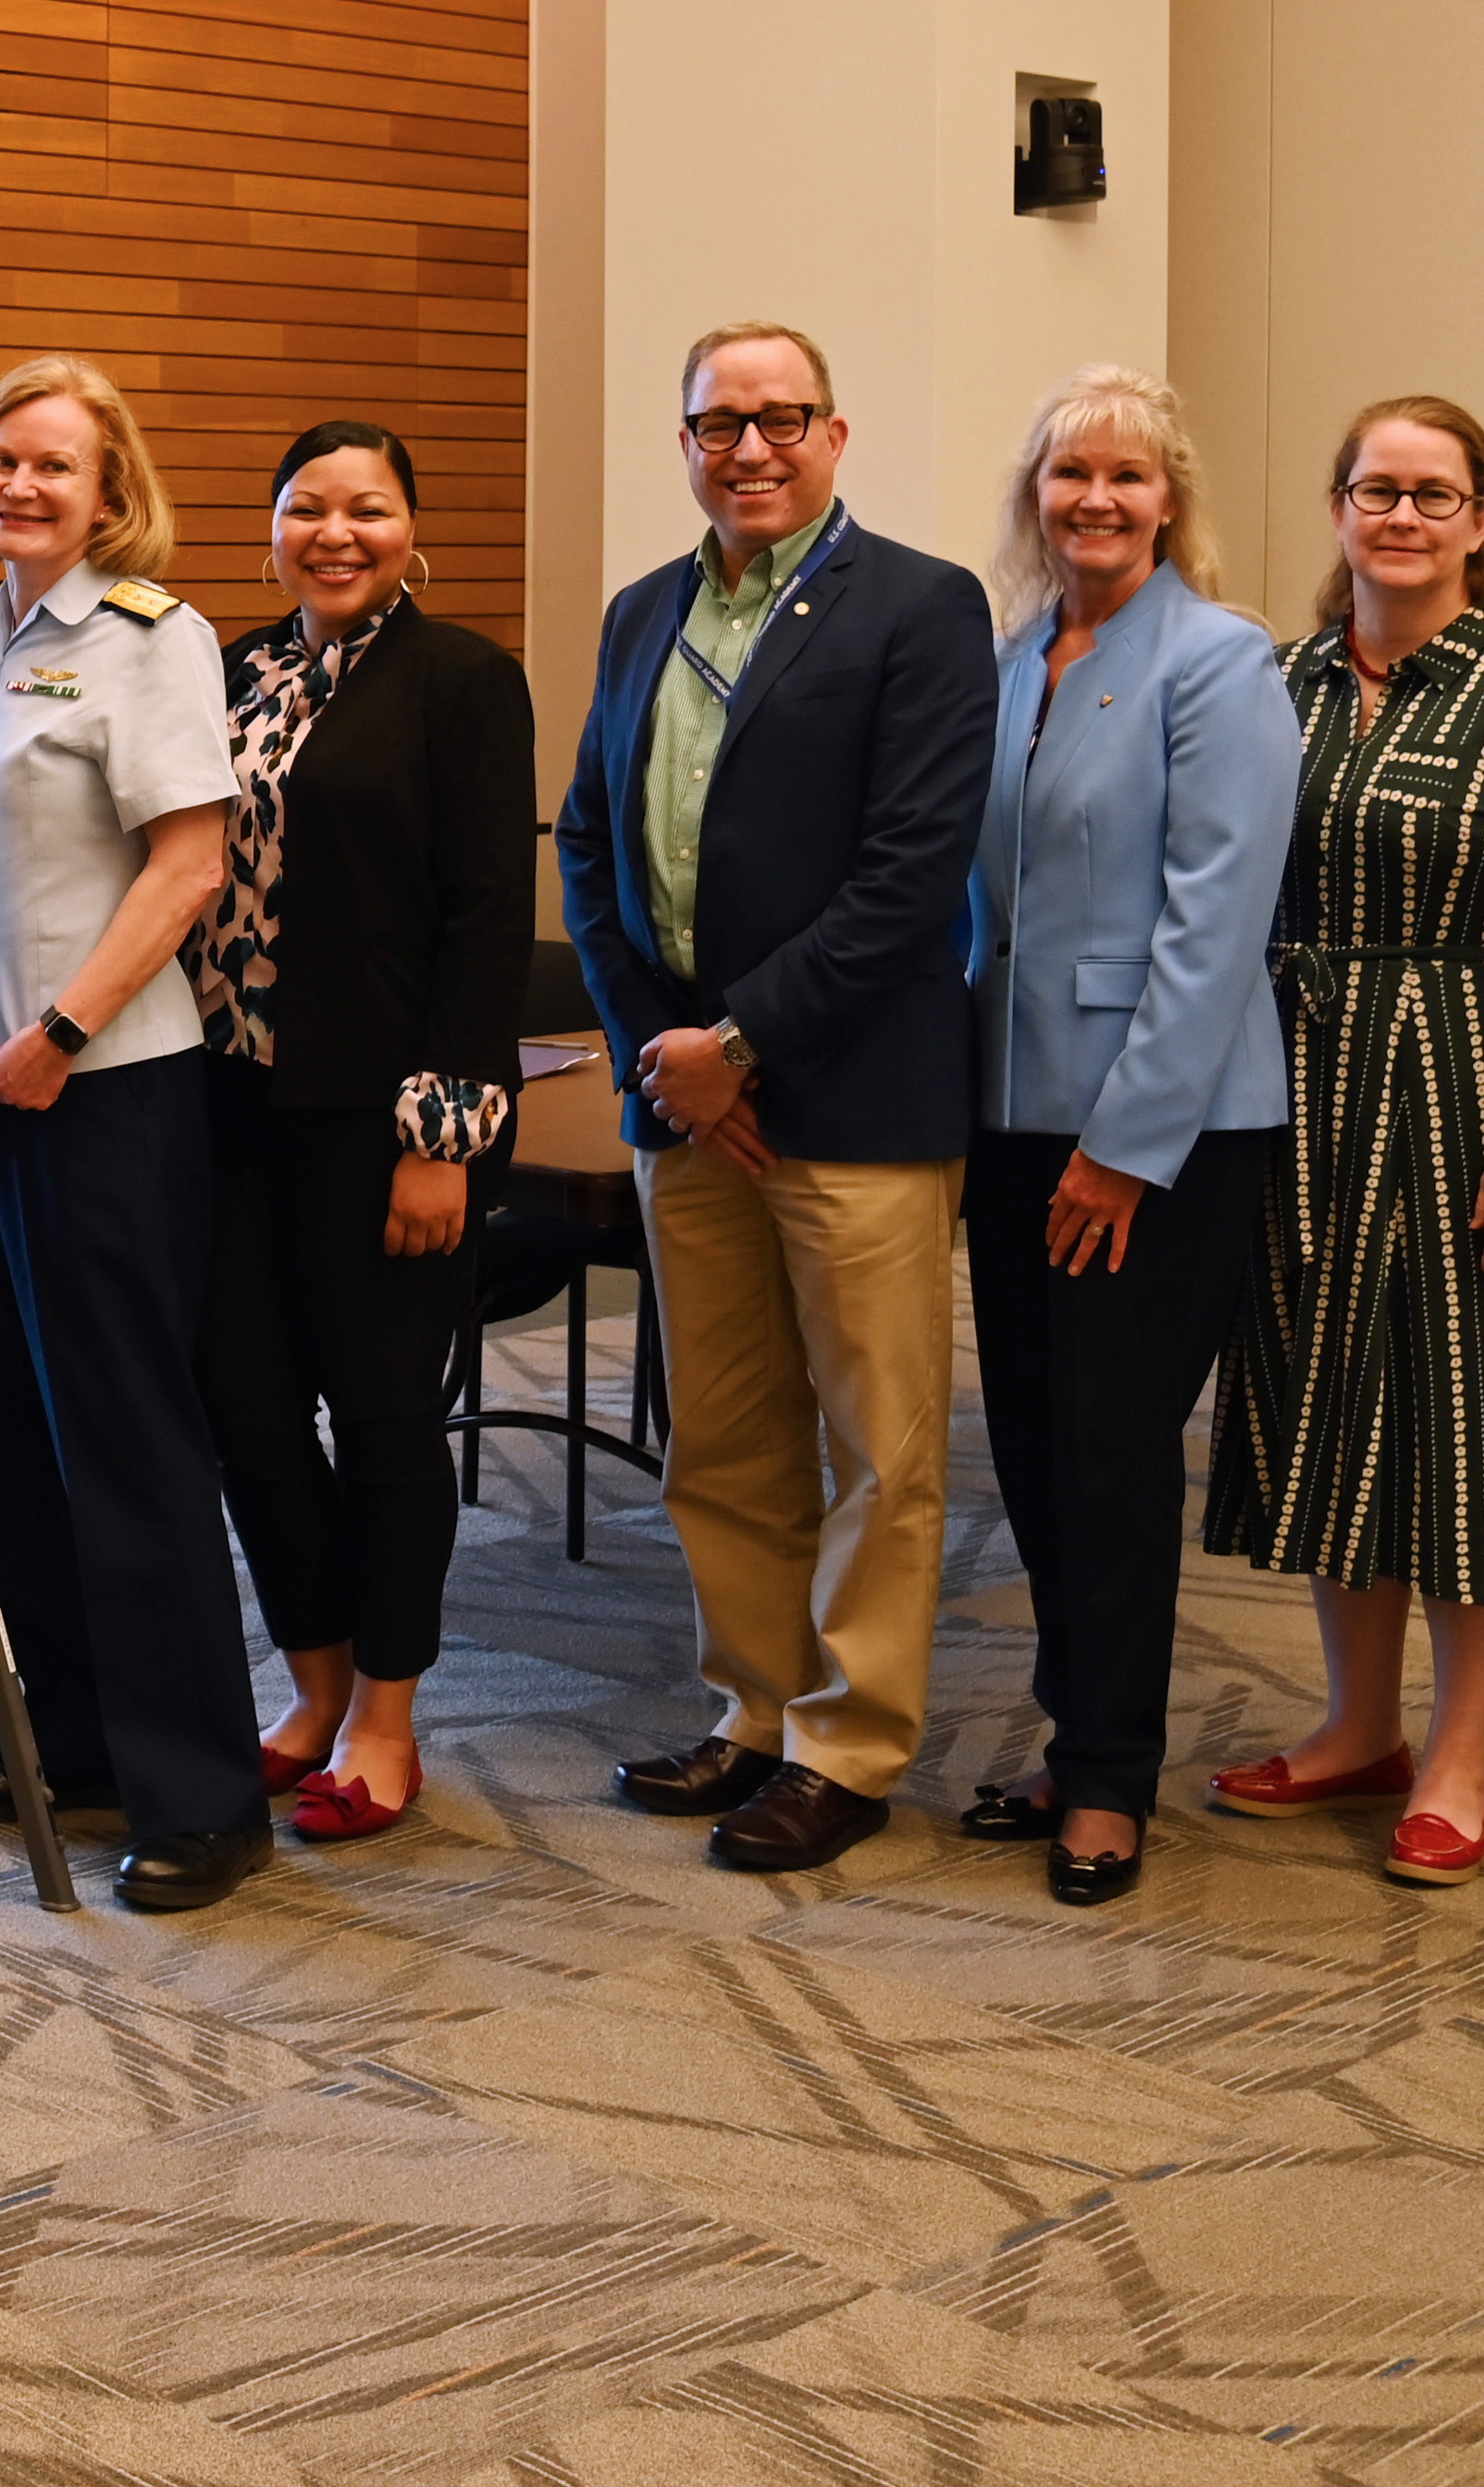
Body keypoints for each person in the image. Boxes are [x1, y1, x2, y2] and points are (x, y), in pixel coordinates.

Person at [558, 320, 996, 1875]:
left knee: (880, 1443)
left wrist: (736, 1045)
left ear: (836, 432)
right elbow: (592, 847)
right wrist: (659, 1054)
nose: (749, 448)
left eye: (780, 419)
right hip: (688, 1106)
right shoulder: (641, 612)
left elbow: (910, 872)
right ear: (682, 439)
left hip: (853, 1099)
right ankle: (750, 1708)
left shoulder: (923, 606)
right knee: (725, 1437)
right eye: (717, 422)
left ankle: (849, 1741)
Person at [1205, 397, 1484, 1887]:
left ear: (1479, 520)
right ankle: (1356, 1723)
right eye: (1376, 489)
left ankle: (1456, 1751)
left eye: (1433, 494)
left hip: (1462, 1091)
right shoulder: (1287, 679)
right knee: (1330, 1404)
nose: (1401, 516)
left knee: (1469, 1422)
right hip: (1302, 1088)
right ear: (1336, 509)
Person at [0, 355, 270, 1915]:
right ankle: (74, 1741)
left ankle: (201, 1792)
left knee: (129, 1448)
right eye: (4, 460)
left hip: (106, 1088)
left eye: (55, 466)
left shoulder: (152, 638)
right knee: (26, 1444)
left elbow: (188, 866)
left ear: (110, 490)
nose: (22, 486)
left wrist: (61, 1033)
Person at [951, 367, 1295, 1906]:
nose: (1096, 499)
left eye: (1128, 478)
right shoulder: (1019, 657)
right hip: (1013, 1114)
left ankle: (1109, 1780)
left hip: (1160, 1131)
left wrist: (1122, 1146)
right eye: (1069, 474)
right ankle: (1073, 1727)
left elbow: (1218, 927)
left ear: (1171, 502)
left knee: (1109, 1452)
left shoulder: (1219, 665)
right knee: (1031, 1444)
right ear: (1036, 493)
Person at [184, 418, 529, 1847]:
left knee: (385, 1421)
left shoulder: (463, 679)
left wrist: (441, 1133)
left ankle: (388, 1715)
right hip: (226, 1108)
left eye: (368, 509)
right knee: (251, 1414)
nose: (336, 532)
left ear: (409, 528)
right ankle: (312, 1687)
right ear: (270, 524)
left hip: (384, 1123)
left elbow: (484, 922)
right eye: (307, 507)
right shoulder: (228, 669)